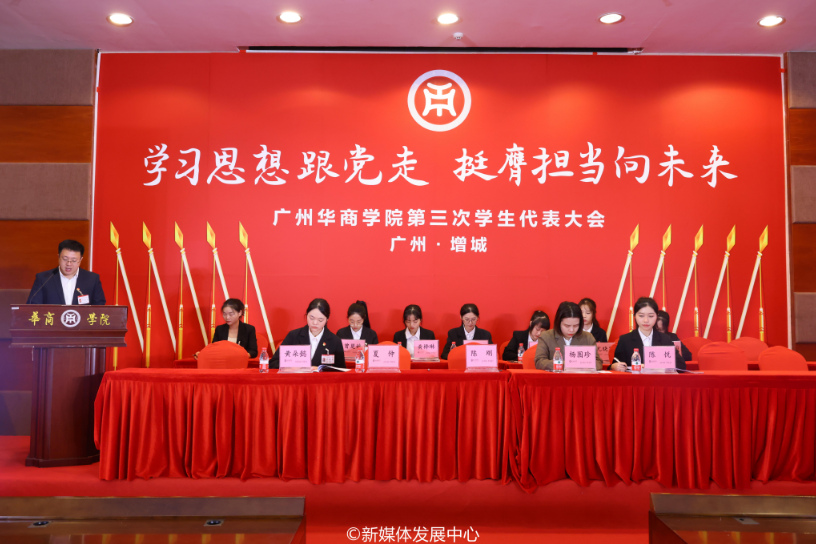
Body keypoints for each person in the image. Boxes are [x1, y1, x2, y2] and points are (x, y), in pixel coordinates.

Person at [611, 297, 686, 371]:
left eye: (650, 316)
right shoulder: (625, 340)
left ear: (656, 316)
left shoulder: (665, 339)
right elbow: (615, 365)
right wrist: (614, 367)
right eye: (641, 316)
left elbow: (681, 365)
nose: (646, 320)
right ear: (635, 316)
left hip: (658, 378)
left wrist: (651, 365)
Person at [271, 298, 345, 368]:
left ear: (327, 319)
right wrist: (294, 365)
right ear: (306, 315)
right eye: (311, 318)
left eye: (320, 320)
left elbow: (341, 369)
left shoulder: (335, 341)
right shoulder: (293, 336)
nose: (315, 323)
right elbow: (273, 363)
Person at [28, 239, 105, 305]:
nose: (69, 264)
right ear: (58, 257)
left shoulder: (92, 279)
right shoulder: (44, 278)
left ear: (80, 260)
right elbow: (33, 305)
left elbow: (99, 306)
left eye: (74, 260)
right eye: (65, 259)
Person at [534, 302, 602, 370]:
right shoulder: (546, 336)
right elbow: (539, 362)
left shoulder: (588, 337)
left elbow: (598, 363)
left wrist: (578, 365)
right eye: (567, 326)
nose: (571, 330)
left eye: (576, 325)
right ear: (559, 322)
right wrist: (568, 364)